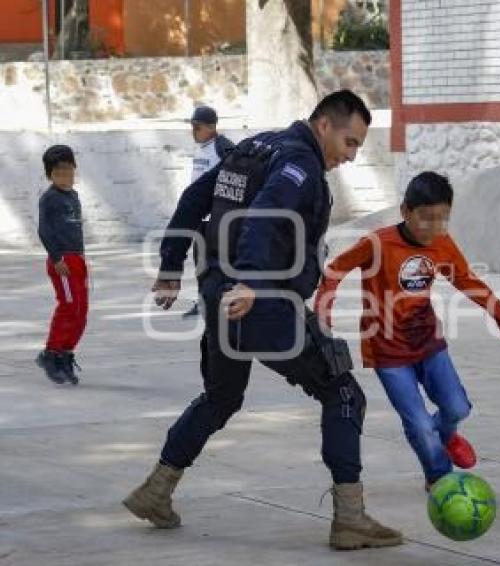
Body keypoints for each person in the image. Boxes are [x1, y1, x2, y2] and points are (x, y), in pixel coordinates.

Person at [123, 90, 402, 550]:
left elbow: (195, 197)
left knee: (221, 397)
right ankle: (350, 518)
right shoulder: (300, 164)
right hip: (260, 301)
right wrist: (252, 281)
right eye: (350, 143)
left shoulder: (254, 148)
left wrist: (171, 267)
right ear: (324, 126)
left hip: (220, 296)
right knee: (343, 391)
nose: (351, 156)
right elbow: (264, 218)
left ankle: (156, 490)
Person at [314, 172, 500, 489]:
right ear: (405, 211)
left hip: (427, 341)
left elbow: (465, 279)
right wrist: (324, 313)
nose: (433, 227)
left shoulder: (442, 244)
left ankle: (445, 436)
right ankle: (439, 478)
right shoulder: (378, 243)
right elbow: (336, 270)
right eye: (425, 218)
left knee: (457, 407)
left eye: (442, 219)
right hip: (387, 350)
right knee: (419, 423)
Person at [35, 145, 88, 386]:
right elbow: (44, 231)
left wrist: (82, 258)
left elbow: (76, 229)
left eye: (69, 171)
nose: (66, 176)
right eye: (59, 172)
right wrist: (57, 259)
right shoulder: (49, 198)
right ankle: (51, 353)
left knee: (81, 311)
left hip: (77, 259)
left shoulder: (73, 196)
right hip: (62, 261)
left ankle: (66, 353)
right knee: (68, 306)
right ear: (50, 175)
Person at [183, 105, 235, 318]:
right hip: (201, 217)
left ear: (211, 127)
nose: (193, 132)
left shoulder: (222, 147)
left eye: (197, 127)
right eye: (192, 127)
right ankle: (203, 299)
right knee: (200, 262)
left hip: (214, 219)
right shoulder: (202, 148)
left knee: (215, 264)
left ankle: (219, 299)